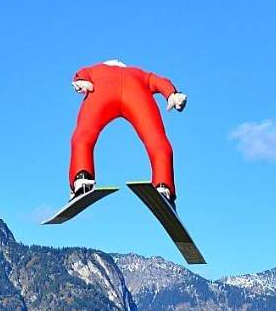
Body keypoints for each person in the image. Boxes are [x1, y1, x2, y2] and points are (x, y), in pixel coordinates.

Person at [68, 59, 187, 206]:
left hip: (101, 92)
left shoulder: (96, 69)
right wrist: (172, 94)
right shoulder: (140, 73)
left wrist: (80, 81)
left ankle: (82, 178)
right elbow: (158, 80)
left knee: (83, 136)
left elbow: (82, 74)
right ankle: (164, 185)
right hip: (137, 93)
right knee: (157, 141)